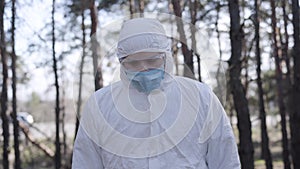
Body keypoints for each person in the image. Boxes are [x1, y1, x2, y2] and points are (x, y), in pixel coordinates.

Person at [72, 17, 241, 169]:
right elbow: (85, 161)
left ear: (166, 56)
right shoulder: (100, 105)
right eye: (133, 63)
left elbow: (225, 159)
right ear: (121, 63)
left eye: (152, 60)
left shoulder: (200, 97)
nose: (143, 68)